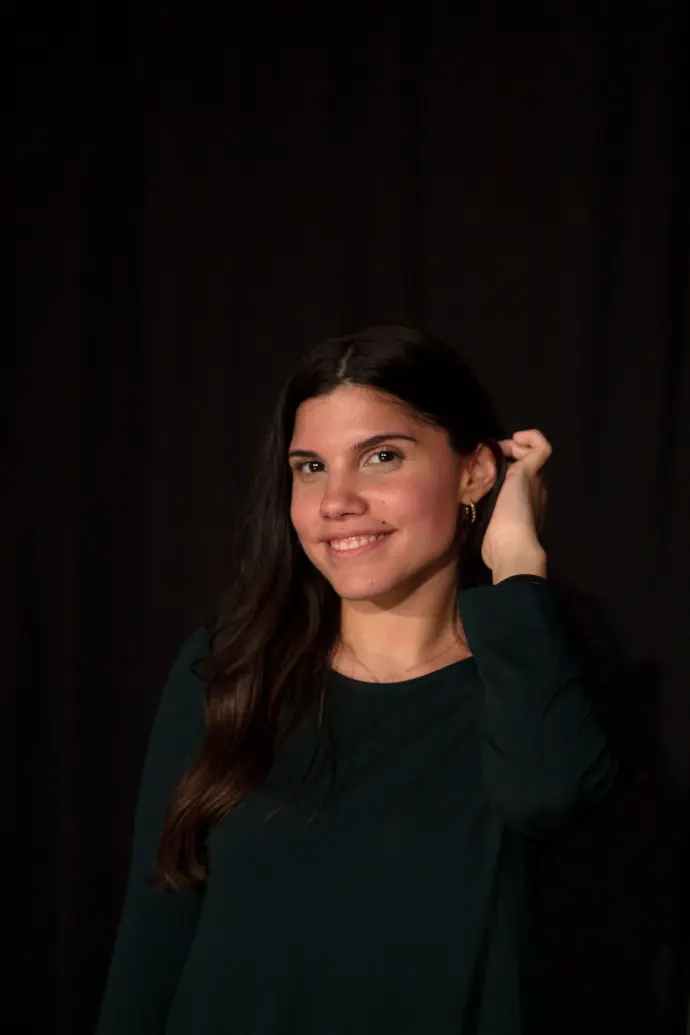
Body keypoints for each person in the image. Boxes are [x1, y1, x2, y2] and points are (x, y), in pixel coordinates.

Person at [95, 325, 620, 1034]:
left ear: (474, 472)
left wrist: (519, 566)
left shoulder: (538, 675)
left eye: (381, 457)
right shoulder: (227, 669)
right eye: (311, 467)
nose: (336, 499)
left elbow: (545, 796)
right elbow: (151, 940)